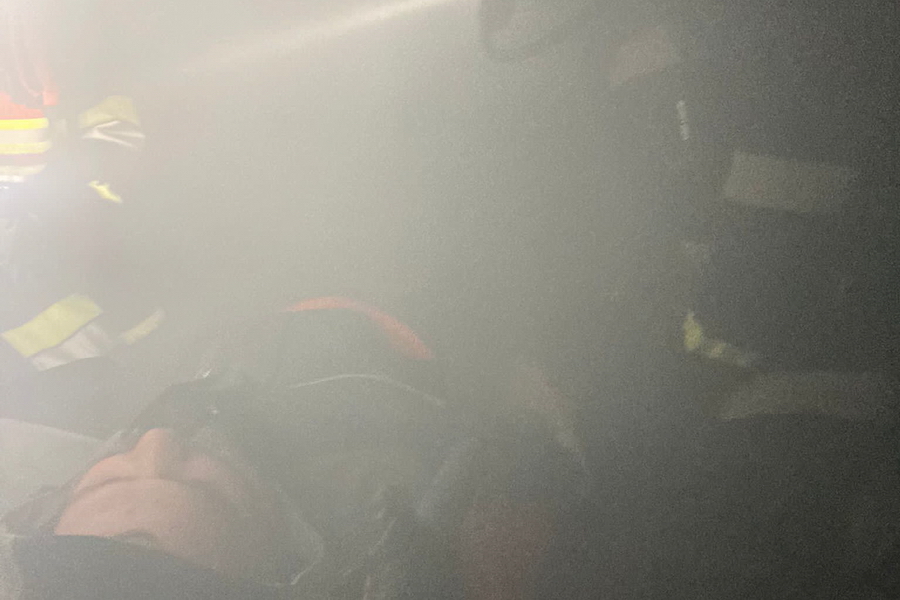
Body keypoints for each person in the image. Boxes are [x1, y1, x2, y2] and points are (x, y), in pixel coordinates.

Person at [1, 297, 587, 600]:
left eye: (108, 477)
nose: (157, 442)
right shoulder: (413, 487)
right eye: (203, 485)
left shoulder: (57, 421)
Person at [0, 0, 161, 383]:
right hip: (41, 276)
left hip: (78, 267)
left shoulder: (64, 46)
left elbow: (113, 142)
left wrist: (67, 198)